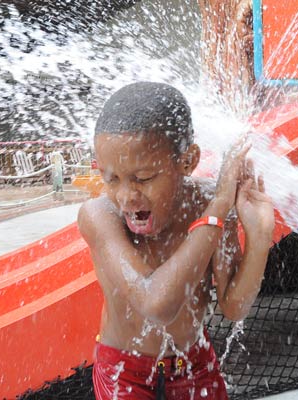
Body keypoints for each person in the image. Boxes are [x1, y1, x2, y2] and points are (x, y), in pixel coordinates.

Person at [78, 81, 275, 400]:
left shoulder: (207, 202)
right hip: (125, 373)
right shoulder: (100, 216)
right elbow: (155, 304)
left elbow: (234, 306)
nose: (126, 196)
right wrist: (219, 208)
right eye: (111, 179)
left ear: (187, 161)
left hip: (195, 365)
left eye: (142, 178)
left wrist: (260, 235)